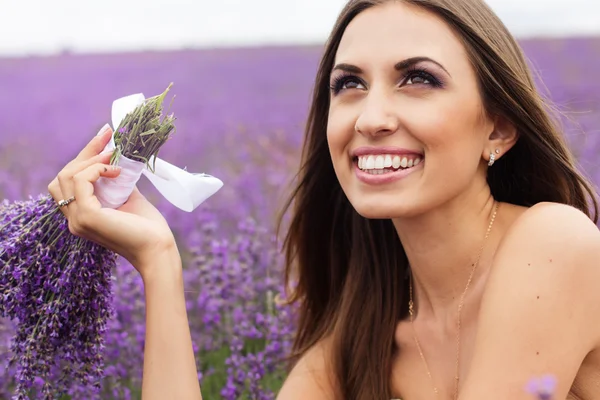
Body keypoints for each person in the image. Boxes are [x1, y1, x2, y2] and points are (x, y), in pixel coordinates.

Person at [48, 0, 600, 399]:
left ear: (498, 129)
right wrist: (158, 261)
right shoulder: (367, 332)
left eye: (418, 80)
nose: (371, 118)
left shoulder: (555, 243)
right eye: (349, 84)